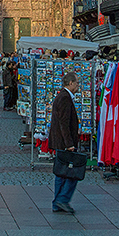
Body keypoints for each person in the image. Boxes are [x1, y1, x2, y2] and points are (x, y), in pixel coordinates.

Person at [48, 71, 80, 215]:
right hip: (64, 143)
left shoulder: (63, 96)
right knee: (72, 174)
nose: (78, 85)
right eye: (77, 83)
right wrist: (69, 144)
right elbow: (64, 123)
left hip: (61, 142)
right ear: (71, 83)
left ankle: (58, 202)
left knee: (61, 174)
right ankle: (62, 199)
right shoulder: (65, 98)